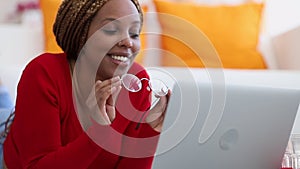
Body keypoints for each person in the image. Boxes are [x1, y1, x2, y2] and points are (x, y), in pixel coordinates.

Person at [3, 0, 170, 168]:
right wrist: (99, 132)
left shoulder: (138, 83)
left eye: (134, 34)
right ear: (81, 33)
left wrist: (150, 131)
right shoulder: (43, 72)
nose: (128, 42)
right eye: (111, 30)